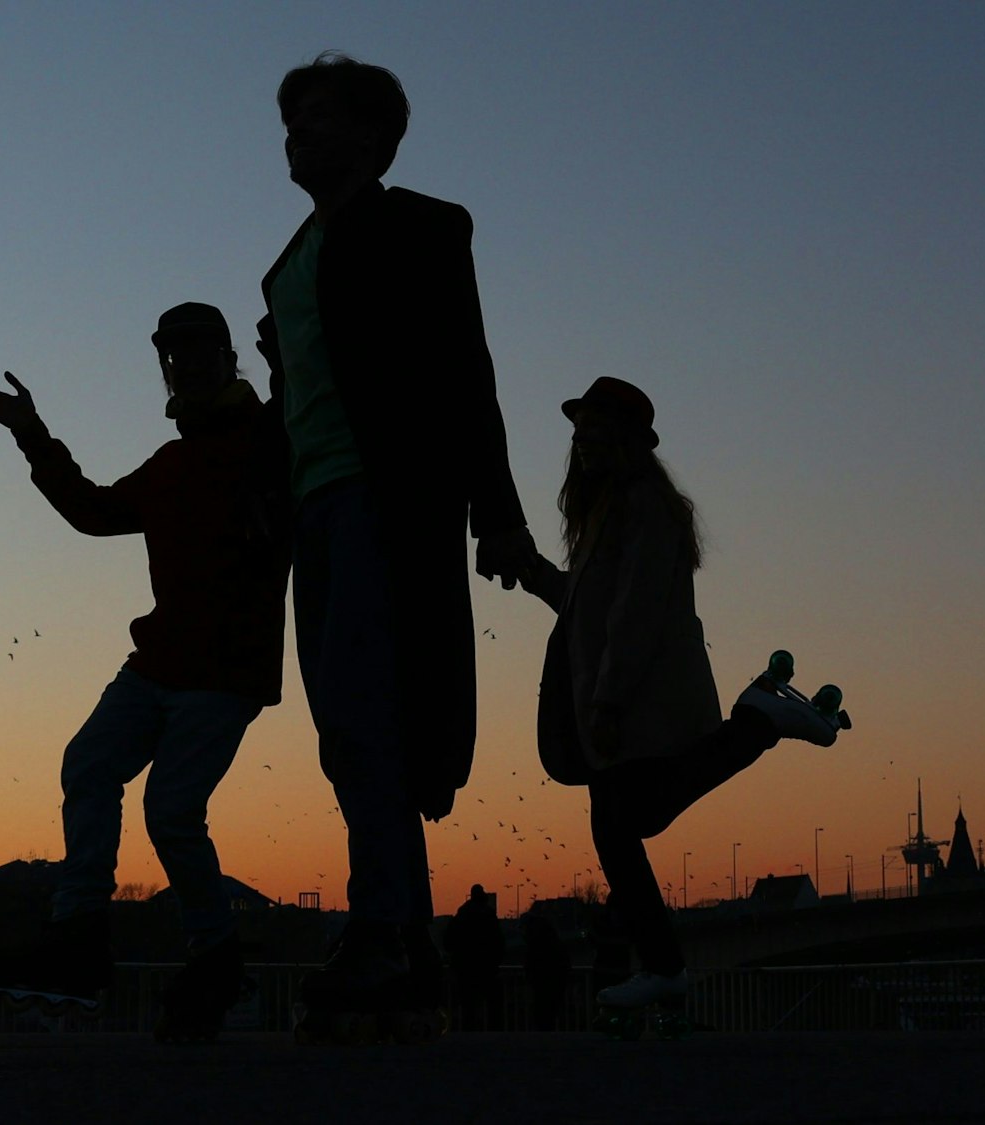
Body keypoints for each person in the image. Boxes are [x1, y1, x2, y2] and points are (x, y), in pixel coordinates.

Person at [261, 53, 536, 1035]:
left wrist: (495, 510)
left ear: (377, 137)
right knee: (345, 731)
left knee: (372, 720)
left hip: (384, 501)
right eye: (292, 120)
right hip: (311, 517)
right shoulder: (287, 263)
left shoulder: (419, 226)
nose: (300, 134)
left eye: (323, 117)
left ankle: (383, 930)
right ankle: (402, 936)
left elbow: (465, 369)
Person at [0, 303, 290, 1042]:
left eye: (201, 351)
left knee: (172, 812)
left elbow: (301, 411)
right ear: (165, 369)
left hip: (226, 671)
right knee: (88, 764)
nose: (187, 364)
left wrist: (288, 358)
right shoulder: (171, 464)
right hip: (159, 661)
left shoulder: (270, 438)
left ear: (227, 357)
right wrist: (31, 432)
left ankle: (214, 958)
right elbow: (92, 509)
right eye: (173, 355)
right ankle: (78, 933)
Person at [516, 376, 848, 1013]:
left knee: (619, 824)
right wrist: (534, 572)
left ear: (626, 440)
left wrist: (607, 702)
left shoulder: (645, 506)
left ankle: (757, 719)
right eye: (576, 433)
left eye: (592, 431)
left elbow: (634, 610)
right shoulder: (611, 512)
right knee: (628, 821)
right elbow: (589, 607)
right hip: (624, 695)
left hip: (639, 696)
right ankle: (758, 719)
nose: (580, 444)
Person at [443, 884, 504, 1031]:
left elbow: (448, 940)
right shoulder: (489, 916)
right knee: (492, 1003)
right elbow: (499, 942)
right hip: (487, 966)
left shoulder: (462, 915)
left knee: (467, 1004)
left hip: (465, 967)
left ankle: (468, 1032)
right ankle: (493, 1032)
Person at [521, 914, 571, 1032]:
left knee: (541, 1016)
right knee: (550, 1015)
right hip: (554, 984)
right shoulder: (555, 943)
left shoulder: (534, 946)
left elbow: (530, 965)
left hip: (541, 985)